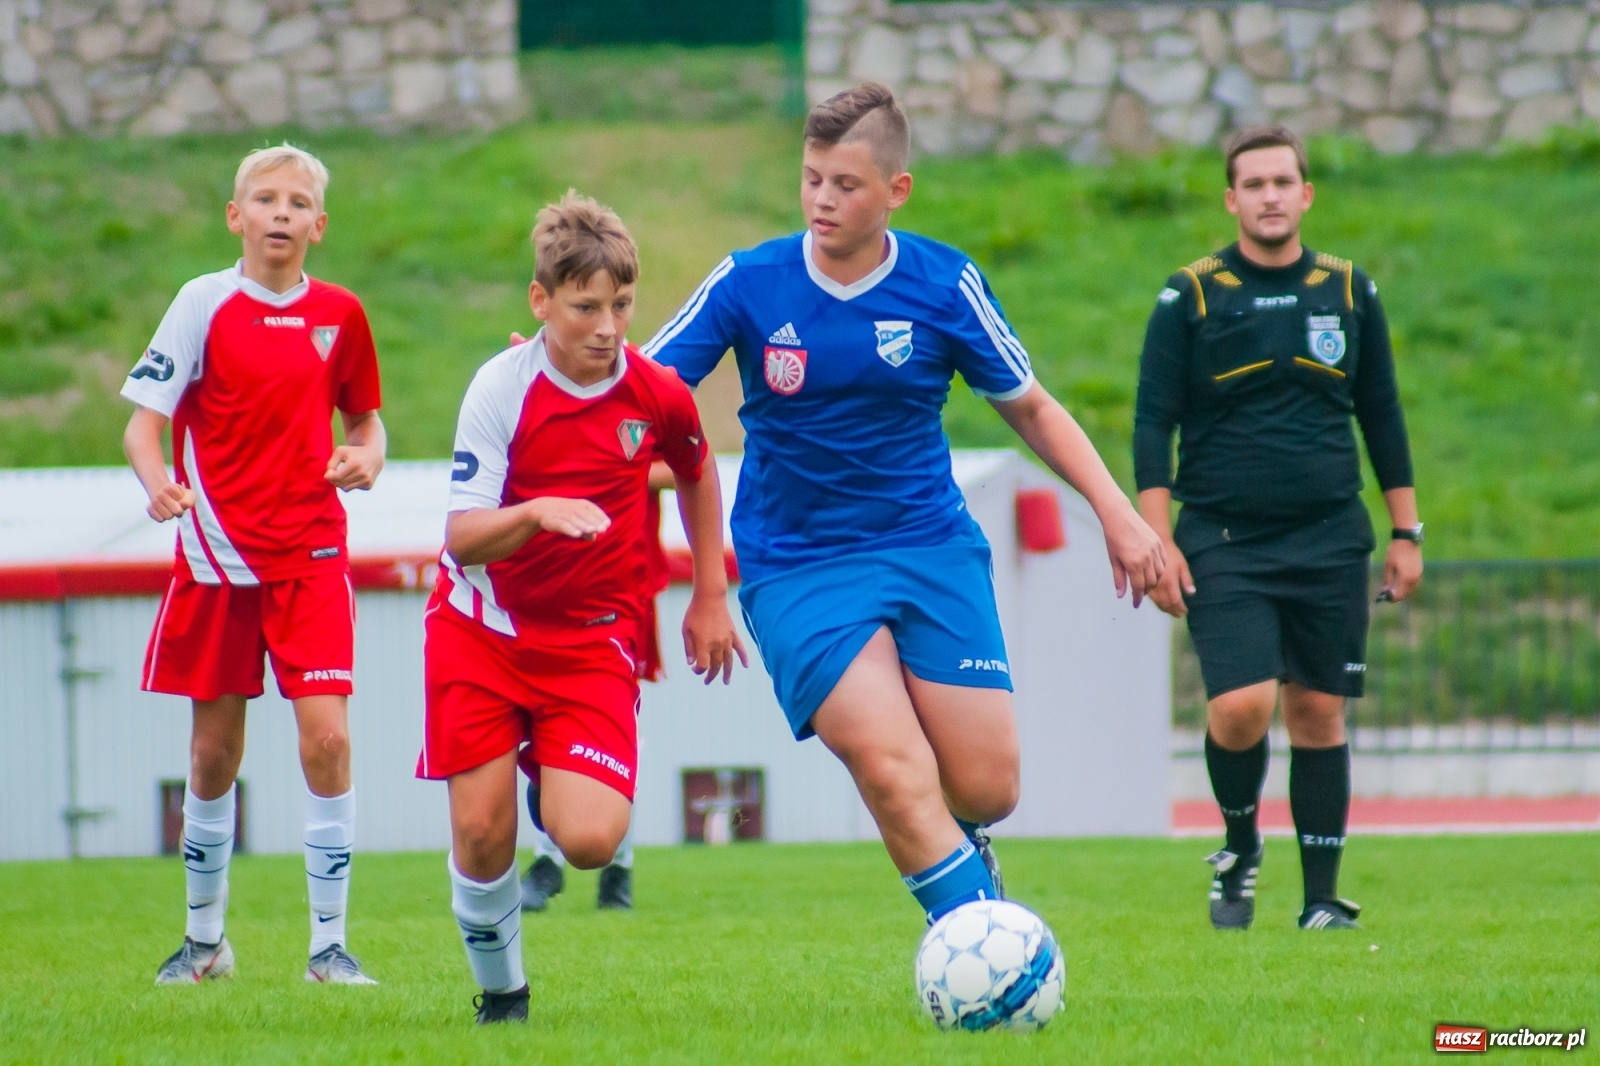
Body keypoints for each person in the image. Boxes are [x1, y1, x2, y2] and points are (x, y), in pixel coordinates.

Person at [643, 83, 1164, 925]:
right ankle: (988, 945)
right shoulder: (748, 282)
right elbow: (634, 393)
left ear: (897, 190)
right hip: (799, 566)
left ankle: (964, 847)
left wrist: (1117, 512)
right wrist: (549, 380)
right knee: (893, 769)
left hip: (929, 547)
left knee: (986, 790)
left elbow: (1031, 406)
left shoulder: (945, 283)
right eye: (811, 178)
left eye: (846, 185)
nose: (821, 199)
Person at [417, 191, 744, 1024]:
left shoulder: (656, 392)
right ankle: (504, 998)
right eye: (585, 307)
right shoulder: (500, 388)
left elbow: (699, 471)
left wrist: (710, 593)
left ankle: (547, 778)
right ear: (541, 301)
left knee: (592, 841)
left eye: (621, 305)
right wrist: (535, 513)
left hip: (591, 641)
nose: (607, 326)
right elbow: (460, 538)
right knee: (481, 836)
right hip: (482, 631)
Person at [1132, 125, 1423, 931]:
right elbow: (1153, 420)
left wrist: (1407, 533)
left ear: (1306, 194)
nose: (1269, 196)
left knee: (1319, 711)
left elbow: (1382, 413)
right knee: (1241, 707)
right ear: (1232, 200)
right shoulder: (1190, 296)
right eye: (1254, 184)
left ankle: (1322, 898)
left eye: (1282, 182)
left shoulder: (1350, 290)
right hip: (1223, 538)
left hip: (1331, 536)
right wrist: (1156, 539)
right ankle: (1239, 846)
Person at [121, 144, 386, 985]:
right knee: (212, 756)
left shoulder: (341, 313)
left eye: (298, 202)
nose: (282, 212)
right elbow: (142, 425)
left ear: (319, 224)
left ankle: (329, 949)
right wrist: (159, 485)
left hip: (312, 555)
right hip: (216, 561)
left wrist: (367, 455)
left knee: (329, 739)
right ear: (236, 216)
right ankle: (205, 942)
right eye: (266, 199)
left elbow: (366, 422)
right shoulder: (201, 302)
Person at [518, 462, 672, 913]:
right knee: (541, 712)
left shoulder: (648, 412)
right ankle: (550, 859)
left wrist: (603, 474)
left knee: (621, 719)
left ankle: (615, 867)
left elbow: (684, 466)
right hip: (550, 578)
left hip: (623, 581)